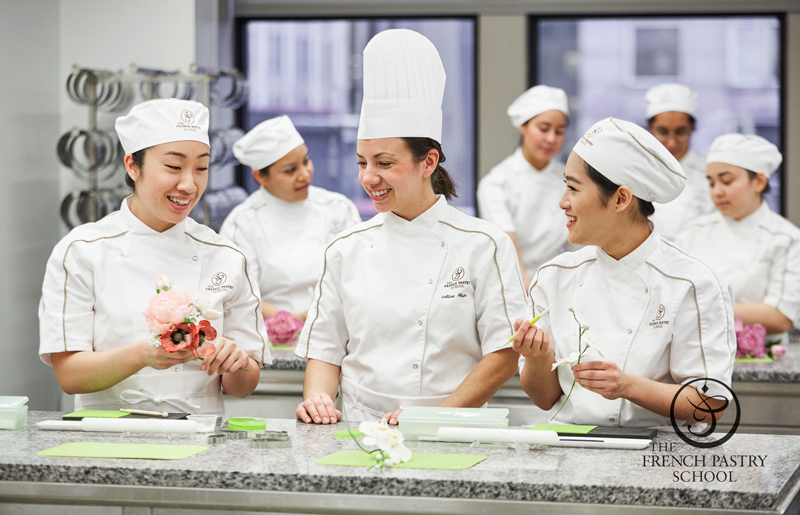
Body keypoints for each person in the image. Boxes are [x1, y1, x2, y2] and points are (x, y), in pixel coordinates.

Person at [294, 29, 527, 425]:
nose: (369, 177)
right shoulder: (345, 248)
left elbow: (504, 355)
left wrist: (433, 419)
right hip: (358, 429)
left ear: (428, 162)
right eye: (362, 162)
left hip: (451, 428)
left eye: (384, 163)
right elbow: (325, 349)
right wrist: (317, 400)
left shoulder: (483, 245)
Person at [38, 98, 270, 415]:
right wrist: (142, 355)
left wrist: (235, 363)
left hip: (199, 437)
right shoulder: (82, 250)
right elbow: (70, 376)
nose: (189, 184)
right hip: (104, 435)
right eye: (174, 167)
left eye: (201, 168)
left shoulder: (225, 256)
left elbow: (243, 386)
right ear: (133, 165)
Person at [514, 117, 735, 428]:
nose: (563, 202)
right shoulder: (553, 277)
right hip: (573, 452)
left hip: (663, 459)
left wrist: (628, 386)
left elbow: (710, 405)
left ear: (620, 199)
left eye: (573, 188)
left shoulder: (691, 283)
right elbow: (544, 399)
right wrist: (537, 359)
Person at [219, 116, 360, 324]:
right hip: (272, 336)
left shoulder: (338, 208)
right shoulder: (243, 223)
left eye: (306, 161)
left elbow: (358, 276)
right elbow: (240, 297)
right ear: (260, 177)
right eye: (290, 170)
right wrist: (292, 320)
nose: (304, 175)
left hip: (338, 325)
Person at [676, 134, 800, 346]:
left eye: (726, 181)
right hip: (698, 353)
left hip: (762, 361)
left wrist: (702, 308)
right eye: (712, 183)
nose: (716, 192)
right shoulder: (691, 234)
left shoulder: (786, 238)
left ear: (759, 181)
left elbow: (780, 318)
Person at [477, 85, 571, 288]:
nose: (551, 138)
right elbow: (506, 244)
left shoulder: (570, 180)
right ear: (523, 126)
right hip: (509, 285)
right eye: (544, 129)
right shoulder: (496, 183)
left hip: (556, 285)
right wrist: (525, 288)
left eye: (559, 131)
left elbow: (578, 245)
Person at [645, 83, 714, 240]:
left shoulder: (710, 174)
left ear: (692, 128)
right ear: (651, 128)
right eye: (662, 132)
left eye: (681, 133)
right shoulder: (635, 170)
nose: (672, 143)